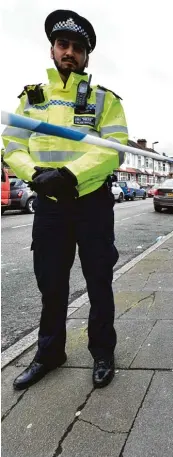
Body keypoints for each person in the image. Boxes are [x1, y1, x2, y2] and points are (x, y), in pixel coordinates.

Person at [1, 10, 128, 390]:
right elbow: (11, 146)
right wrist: (35, 175)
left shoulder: (105, 100)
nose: (69, 52)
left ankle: (103, 352)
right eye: (63, 45)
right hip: (50, 208)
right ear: (53, 49)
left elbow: (114, 149)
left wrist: (70, 175)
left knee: (99, 282)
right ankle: (50, 353)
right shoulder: (31, 99)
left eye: (77, 47)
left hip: (91, 203)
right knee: (51, 284)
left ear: (87, 56)